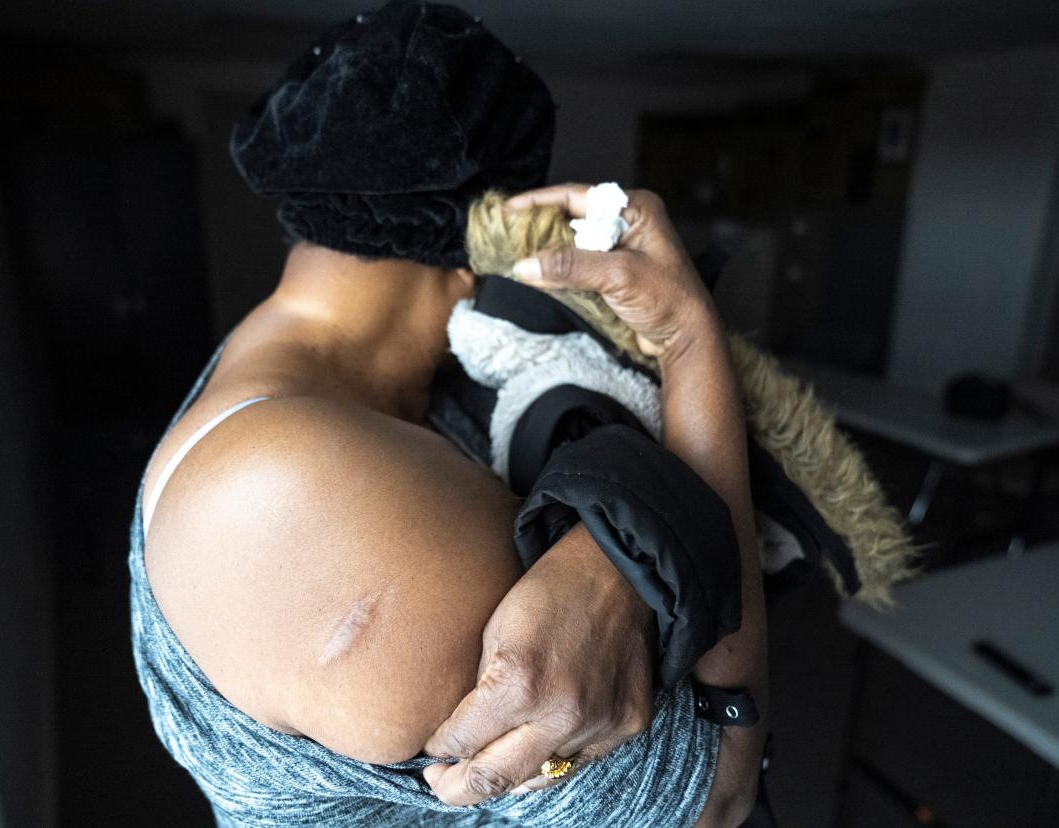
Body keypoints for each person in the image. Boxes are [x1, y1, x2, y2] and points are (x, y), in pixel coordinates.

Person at [130, 2, 767, 825]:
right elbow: (714, 796)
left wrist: (617, 549)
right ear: (487, 255)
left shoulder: (256, 373)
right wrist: (688, 340)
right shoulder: (307, 501)